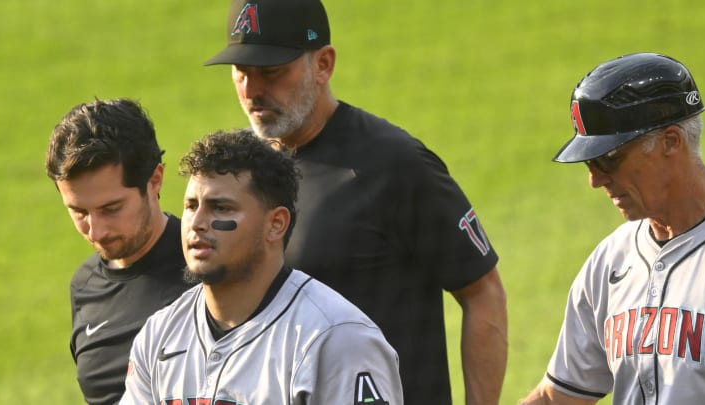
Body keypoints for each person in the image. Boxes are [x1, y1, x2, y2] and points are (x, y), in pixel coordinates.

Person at [202, 0, 507, 403]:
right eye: (241, 73)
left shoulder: (393, 165)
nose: (253, 90)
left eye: (272, 72)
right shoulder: (239, 174)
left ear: (323, 64)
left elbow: (483, 290)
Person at [120, 129, 403, 404]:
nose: (196, 223)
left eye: (221, 207)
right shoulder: (160, 335)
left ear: (275, 224)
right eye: (192, 205)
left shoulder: (336, 340)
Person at [521, 52, 705, 404]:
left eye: (610, 159)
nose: (596, 180)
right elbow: (556, 397)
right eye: (591, 163)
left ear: (671, 141)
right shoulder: (610, 260)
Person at [45, 98, 192, 404]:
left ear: (154, 181)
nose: (95, 231)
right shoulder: (85, 286)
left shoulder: (213, 271)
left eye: (111, 209)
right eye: (79, 212)